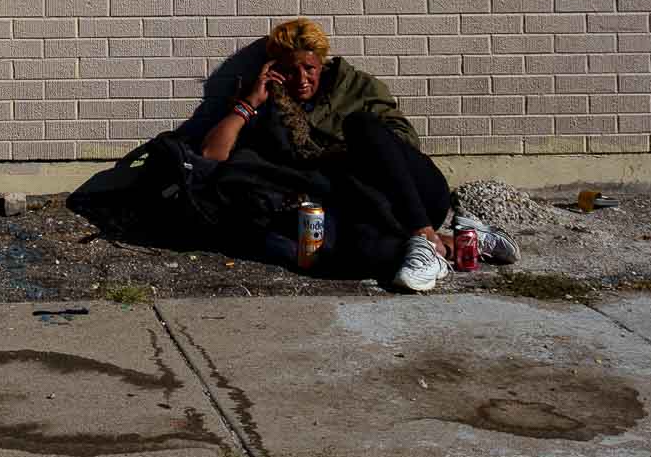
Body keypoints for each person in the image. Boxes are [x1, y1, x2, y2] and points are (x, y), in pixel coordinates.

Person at [199, 18, 519, 292]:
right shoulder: (270, 107)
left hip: (413, 196)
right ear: (276, 71)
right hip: (361, 209)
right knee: (365, 256)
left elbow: (404, 142)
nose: (301, 79)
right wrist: (250, 102)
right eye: (290, 71)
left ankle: (424, 235)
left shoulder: (357, 88)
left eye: (309, 68)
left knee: (361, 126)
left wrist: (344, 153)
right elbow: (212, 154)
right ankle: (458, 243)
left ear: (321, 64)